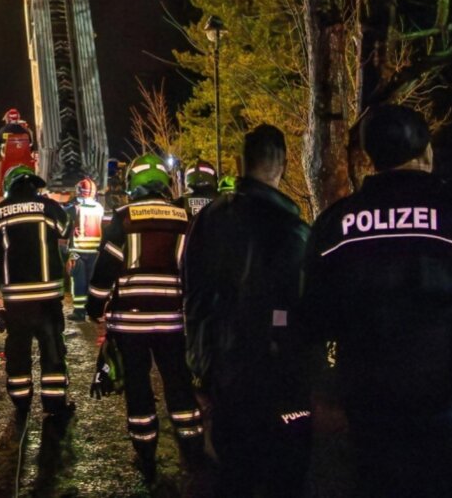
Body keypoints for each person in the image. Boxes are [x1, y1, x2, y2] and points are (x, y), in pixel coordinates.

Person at [300, 105, 452, 498]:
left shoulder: (336, 225)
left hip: (371, 407)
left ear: (370, 157)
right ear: (426, 154)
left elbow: (314, 317)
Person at [184, 126, 311, 497]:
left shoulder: (209, 220)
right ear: (284, 166)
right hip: (279, 378)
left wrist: (200, 369)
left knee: (232, 475)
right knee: (284, 476)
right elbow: (302, 308)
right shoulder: (292, 229)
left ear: (240, 162)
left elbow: (195, 298)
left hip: (225, 372)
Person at [88, 152, 203, 480]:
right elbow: (194, 270)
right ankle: (193, 450)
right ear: (165, 183)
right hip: (173, 321)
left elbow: (105, 270)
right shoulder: (184, 217)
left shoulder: (122, 217)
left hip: (130, 323)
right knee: (179, 384)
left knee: (138, 388)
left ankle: (146, 455)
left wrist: (94, 308)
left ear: (132, 184)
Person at [0, 165, 75, 422]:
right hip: (47, 296)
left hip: (17, 298)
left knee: (18, 349)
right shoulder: (48, 207)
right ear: (35, 185)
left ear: (10, 186)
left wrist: (8, 246)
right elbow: (66, 229)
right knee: (52, 348)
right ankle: (54, 404)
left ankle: (21, 401)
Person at [67, 177, 105, 321]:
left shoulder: (75, 208)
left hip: (79, 251)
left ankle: (79, 311)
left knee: (79, 282)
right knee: (92, 282)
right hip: (95, 251)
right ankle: (92, 311)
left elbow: (64, 219)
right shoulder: (99, 208)